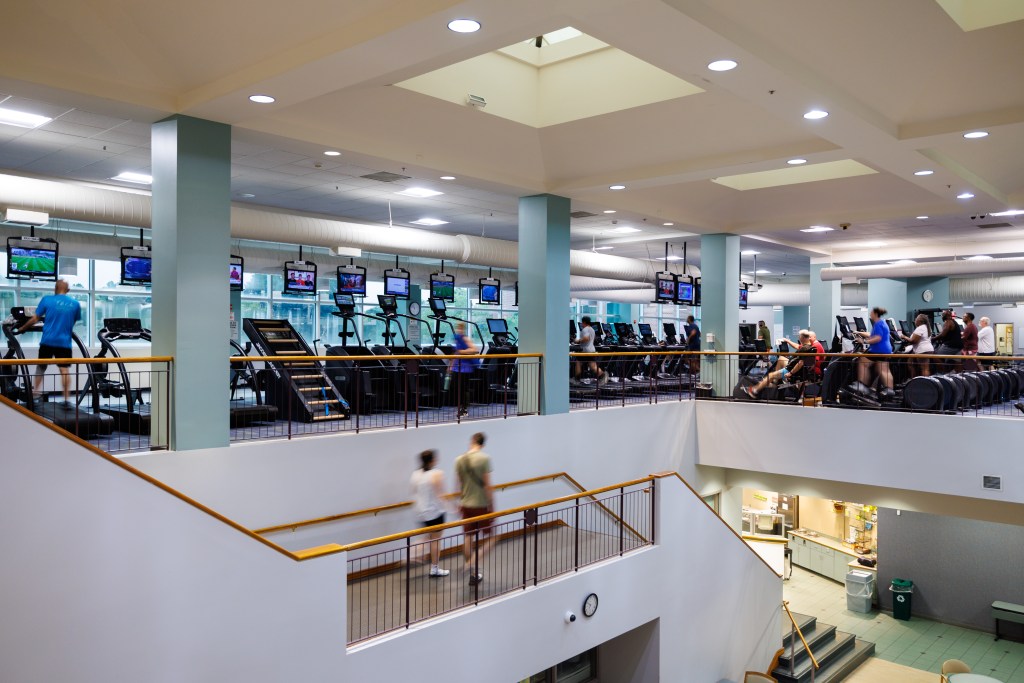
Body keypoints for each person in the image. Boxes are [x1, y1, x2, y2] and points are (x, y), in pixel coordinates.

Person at [16, 279, 82, 406]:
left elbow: (35, 318)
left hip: (48, 340)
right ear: (68, 290)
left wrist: (22, 328)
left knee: (41, 367)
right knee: (64, 370)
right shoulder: (75, 304)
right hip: (64, 342)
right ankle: (67, 399)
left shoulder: (47, 300)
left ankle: (35, 395)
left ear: (55, 288)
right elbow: (73, 322)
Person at [455, 432, 493, 586]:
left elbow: (458, 484)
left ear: (472, 441)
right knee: (493, 537)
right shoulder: (484, 459)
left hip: (465, 503)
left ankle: (473, 573)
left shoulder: (460, 459)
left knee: (468, 537)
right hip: (480, 503)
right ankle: (470, 564)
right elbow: (487, 485)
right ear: (483, 444)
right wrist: (491, 505)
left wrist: (458, 502)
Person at [410, 450, 450, 577]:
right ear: (433, 460)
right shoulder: (437, 473)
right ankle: (434, 568)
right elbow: (440, 494)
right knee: (435, 540)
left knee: (428, 537)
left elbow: (414, 491)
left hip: (421, 512)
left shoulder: (416, 474)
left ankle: (414, 550)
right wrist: (452, 508)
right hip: (435, 512)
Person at [742, 330, 810, 399]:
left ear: (802, 338)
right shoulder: (808, 347)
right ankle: (776, 381)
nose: (798, 338)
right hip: (797, 370)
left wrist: (790, 373)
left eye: (799, 336)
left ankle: (754, 391)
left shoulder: (804, 349)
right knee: (781, 358)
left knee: (770, 375)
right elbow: (797, 347)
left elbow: (800, 363)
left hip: (792, 371)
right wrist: (787, 341)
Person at [853, 306, 893, 398]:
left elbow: (877, 338)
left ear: (875, 314)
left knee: (862, 361)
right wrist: (859, 333)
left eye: (871, 313)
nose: (870, 314)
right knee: (884, 369)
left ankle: (862, 385)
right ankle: (889, 390)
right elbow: (872, 335)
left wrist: (864, 341)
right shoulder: (883, 322)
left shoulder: (878, 324)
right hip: (886, 350)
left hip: (878, 350)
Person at [450, 322, 479, 417]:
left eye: (460, 328)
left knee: (463, 389)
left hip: (465, 369)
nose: (459, 330)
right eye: (457, 328)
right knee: (456, 388)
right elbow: (455, 353)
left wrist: (462, 352)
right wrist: (451, 366)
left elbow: (474, 350)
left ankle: (464, 409)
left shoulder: (465, 338)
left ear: (463, 329)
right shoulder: (457, 339)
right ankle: (460, 407)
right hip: (457, 367)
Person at [572, 316, 607, 385]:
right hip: (591, 350)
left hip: (585, 351)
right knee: (593, 366)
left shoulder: (585, 329)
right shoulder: (592, 329)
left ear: (584, 322)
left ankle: (576, 380)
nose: (582, 324)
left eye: (582, 322)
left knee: (578, 363)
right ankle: (603, 375)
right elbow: (592, 340)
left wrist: (577, 341)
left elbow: (586, 338)